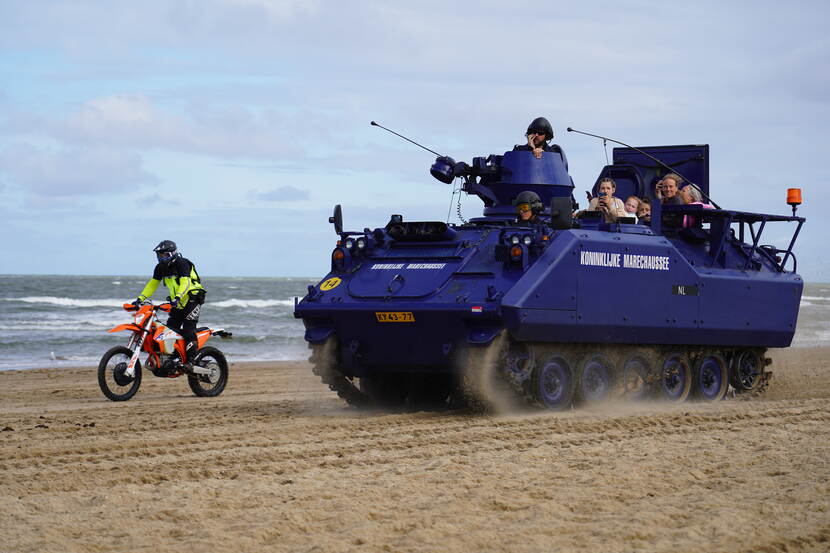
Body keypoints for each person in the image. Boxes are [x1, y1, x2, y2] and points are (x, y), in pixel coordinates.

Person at [134, 240, 207, 366]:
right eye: (159, 256)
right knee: (170, 329)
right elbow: (152, 284)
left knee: (189, 329)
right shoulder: (160, 268)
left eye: (165, 255)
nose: (162, 258)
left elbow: (185, 282)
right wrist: (140, 298)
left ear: (173, 254)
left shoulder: (183, 264)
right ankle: (175, 357)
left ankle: (191, 361)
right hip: (177, 302)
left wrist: (178, 296)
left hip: (192, 298)